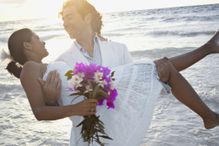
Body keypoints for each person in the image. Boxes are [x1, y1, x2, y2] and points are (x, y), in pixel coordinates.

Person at [5, 27, 219, 146]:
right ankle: (209, 52)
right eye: (38, 39)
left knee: (161, 68)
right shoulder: (30, 68)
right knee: (160, 68)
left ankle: (208, 49)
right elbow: (39, 112)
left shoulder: (41, 67)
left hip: (104, 87)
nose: (43, 43)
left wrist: (54, 98)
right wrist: (76, 109)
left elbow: (53, 99)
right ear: (27, 45)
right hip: (100, 97)